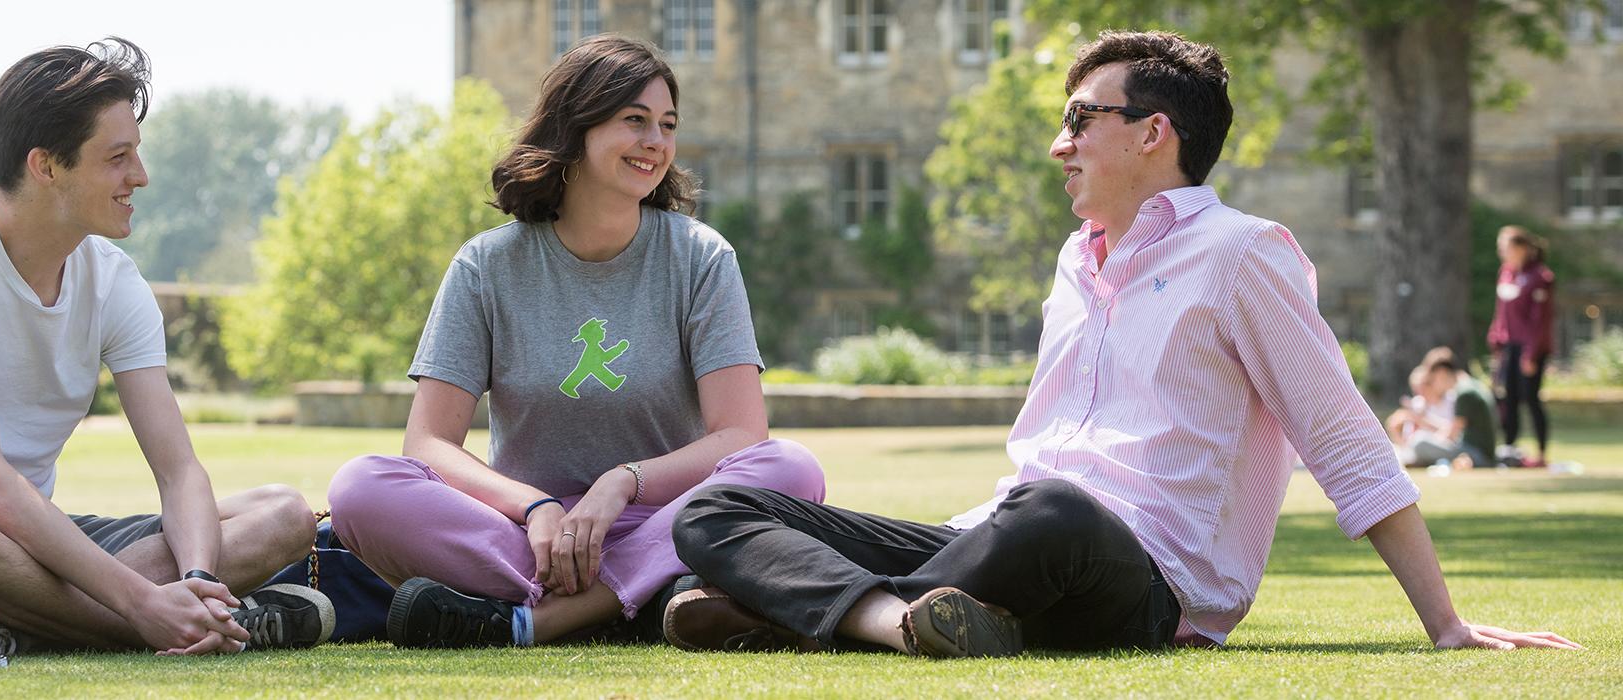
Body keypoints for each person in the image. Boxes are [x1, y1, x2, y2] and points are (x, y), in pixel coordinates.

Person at [665, 30, 1581, 657]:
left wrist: (1447, 623)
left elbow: (1340, 435)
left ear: (1154, 133)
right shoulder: (1076, 260)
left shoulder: (1242, 255)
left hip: (1140, 579)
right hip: (993, 537)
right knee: (717, 508)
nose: (1058, 144)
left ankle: (792, 611)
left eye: (1079, 120)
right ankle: (900, 622)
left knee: (1052, 513)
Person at [0, 37, 331, 658]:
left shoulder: (114, 281)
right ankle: (167, 625)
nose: (139, 177)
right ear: (46, 166)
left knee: (284, 514)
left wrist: (199, 577)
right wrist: (142, 600)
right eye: (117, 158)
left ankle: (22, 627)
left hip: (29, 552)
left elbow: (178, 471)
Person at [325, 34, 824, 649]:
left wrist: (621, 483)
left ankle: (545, 616)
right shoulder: (487, 265)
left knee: (792, 469)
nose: (656, 142)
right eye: (634, 121)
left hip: (670, 520)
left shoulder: (700, 257)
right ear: (575, 129)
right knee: (360, 486)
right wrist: (537, 509)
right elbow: (428, 443)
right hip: (528, 540)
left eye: (667, 124)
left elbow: (743, 437)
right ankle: (642, 598)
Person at [1487, 225, 1556, 467]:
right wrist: (1495, 341)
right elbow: (1501, 313)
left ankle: (1542, 452)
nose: (1501, 252)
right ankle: (1509, 449)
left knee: (1530, 398)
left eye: (1505, 247)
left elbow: (1540, 320)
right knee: (1508, 398)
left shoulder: (1540, 277)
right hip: (1509, 347)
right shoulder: (1505, 273)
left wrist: (1531, 353)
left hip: (1530, 348)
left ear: (1521, 248)